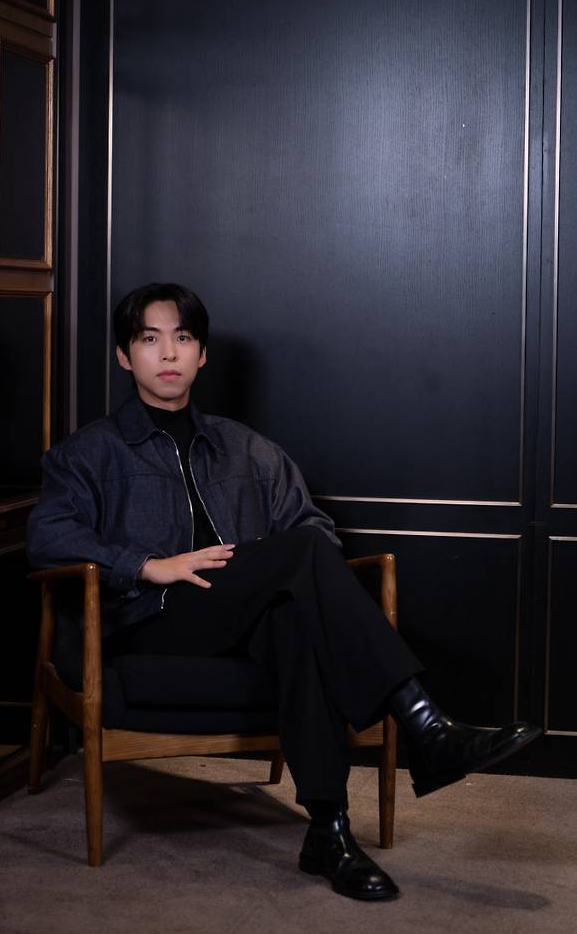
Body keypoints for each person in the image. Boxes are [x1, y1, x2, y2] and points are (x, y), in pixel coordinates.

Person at [27, 282, 540, 901]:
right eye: (150, 339)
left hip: (241, 622)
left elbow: (313, 529)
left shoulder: (247, 449)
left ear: (202, 355)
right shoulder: (89, 453)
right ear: (123, 355)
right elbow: (49, 537)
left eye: (183, 338)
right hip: (152, 619)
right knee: (299, 555)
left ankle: (329, 830)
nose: (168, 353)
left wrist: (263, 573)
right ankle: (423, 722)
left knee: (295, 615)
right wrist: (147, 565)